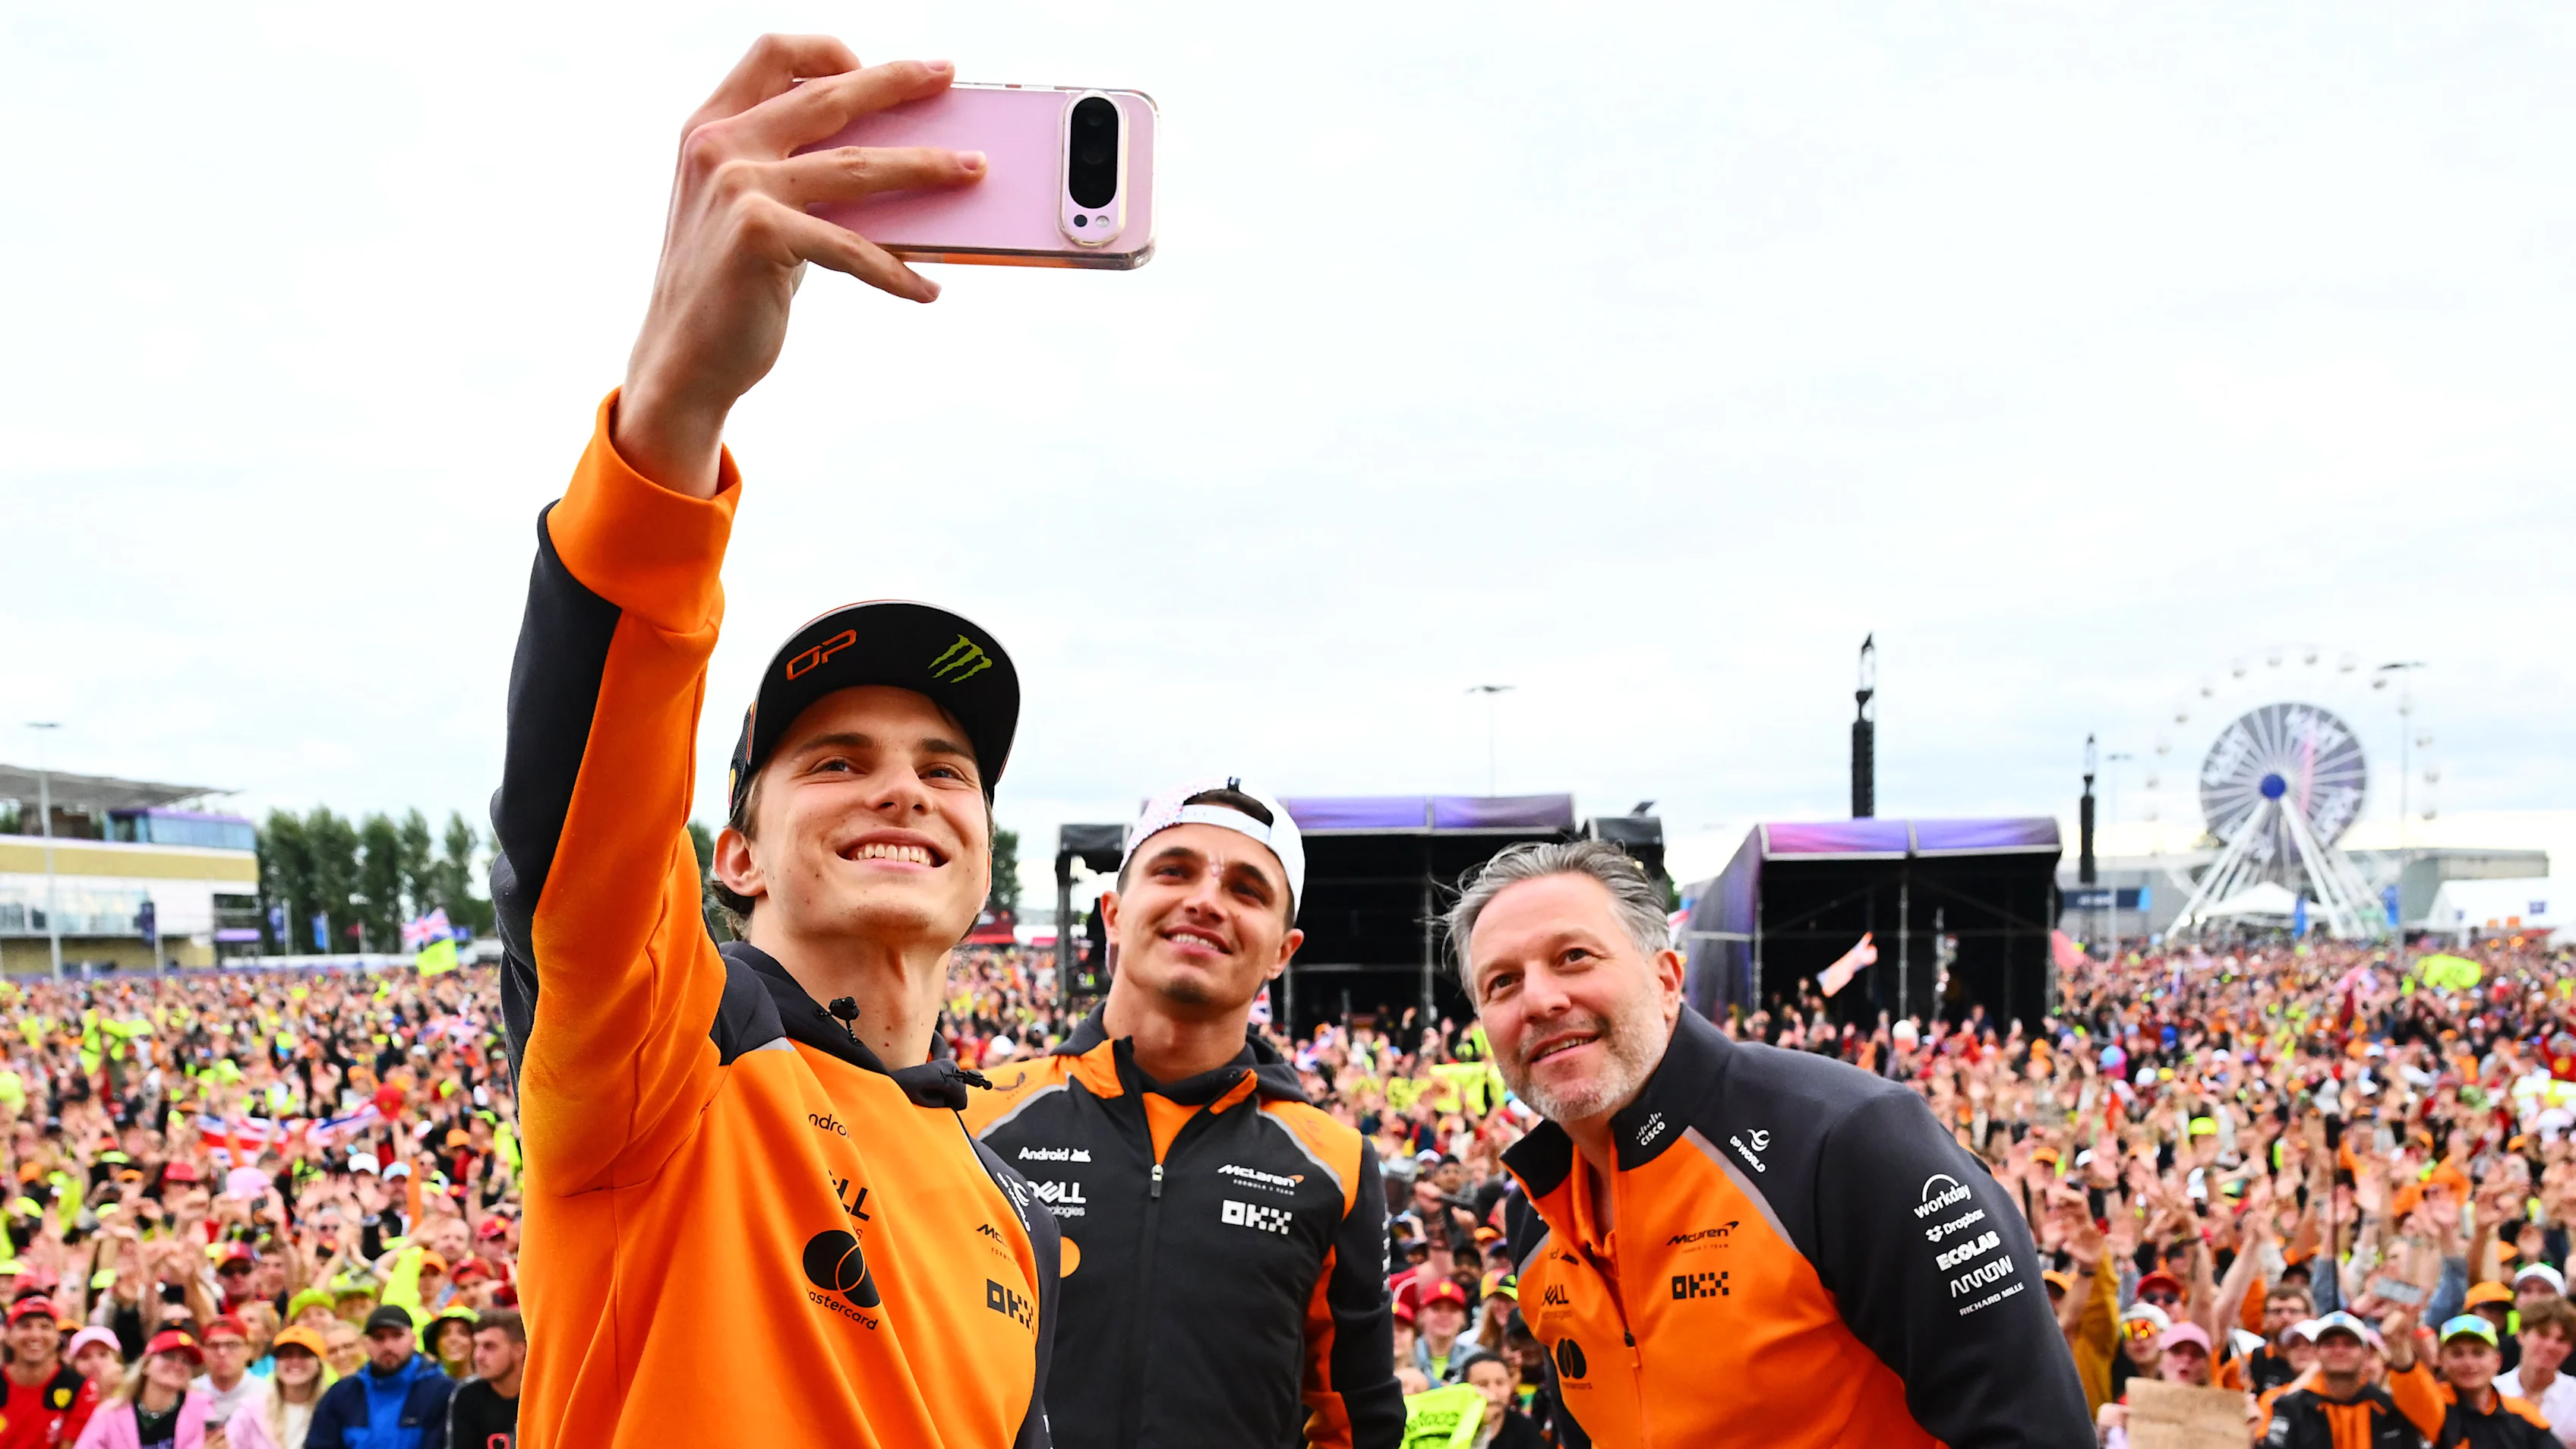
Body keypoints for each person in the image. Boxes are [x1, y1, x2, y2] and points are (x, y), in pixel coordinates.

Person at [483, 33, 1060, 1449]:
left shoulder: (1011, 1207)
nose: (903, 791)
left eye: (945, 768)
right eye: (836, 758)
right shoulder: (667, 1053)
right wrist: (674, 415)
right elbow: (583, 843)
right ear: (734, 850)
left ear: (984, 855)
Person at [1447, 841, 2088, 1446]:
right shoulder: (1533, 1217)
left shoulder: (1851, 1140)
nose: (1539, 1000)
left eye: (1574, 957)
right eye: (1501, 983)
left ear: (1667, 981)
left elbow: (2033, 1429)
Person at [963, 779, 1401, 1449]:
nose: (1205, 901)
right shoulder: (980, 1116)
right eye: (1175, 871)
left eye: (1247, 890)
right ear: (1112, 913)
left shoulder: (1333, 1162)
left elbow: (1359, 1420)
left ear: (1284, 951)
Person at [2261, 1309, 2444, 1446]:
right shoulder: (2291, 1407)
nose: (2339, 1351)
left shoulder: (2388, 1407)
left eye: (2349, 1344)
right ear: (2316, 1353)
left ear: (2366, 1353)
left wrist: (2402, 1355)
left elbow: (2433, 1425)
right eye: (2330, 1344)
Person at [305, 1307, 450, 1449]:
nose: (388, 1345)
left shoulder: (442, 1391)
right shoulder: (341, 1394)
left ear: (413, 1339)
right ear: (366, 1344)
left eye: (397, 1335)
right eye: (378, 1338)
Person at [71, 1329, 214, 1449]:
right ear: (146, 1365)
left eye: (186, 1361)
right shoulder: (111, 1412)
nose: (178, 1365)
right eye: (169, 1356)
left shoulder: (203, 1411)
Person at [2, 1296, 98, 1449]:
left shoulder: (79, 1388)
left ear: (57, 1337)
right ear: (9, 1336)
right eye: (26, 1326)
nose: (35, 1335)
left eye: (45, 1327)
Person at [224, 1328, 330, 1449]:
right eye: (286, 1354)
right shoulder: (250, 1412)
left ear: (319, 1363)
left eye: (304, 1354)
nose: (295, 1361)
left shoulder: (334, 1410)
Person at [2497, 1296, 2576, 1448]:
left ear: (2570, 1349)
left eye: (2561, 1340)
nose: (2550, 1346)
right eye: (2542, 1334)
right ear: (2521, 1336)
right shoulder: (2494, 1391)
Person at [442, 1310, 523, 1449]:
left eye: (489, 1346)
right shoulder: (467, 1395)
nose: (478, 1356)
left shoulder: (544, 1395)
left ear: (520, 1350)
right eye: (476, 1346)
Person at [1457, 1353, 1545, 1449]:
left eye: (1500, 1383)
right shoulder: (1451, 1424)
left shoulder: (1526, 1429)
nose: (1493, 1392)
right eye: (1482, 1384)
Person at [190, 1318, 262, 1425]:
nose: (222, 1353)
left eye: (232, 1345)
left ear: (249, 1350)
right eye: (213, 1345)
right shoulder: (190, 1394)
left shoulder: (266, 1394)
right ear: (202, 1351)